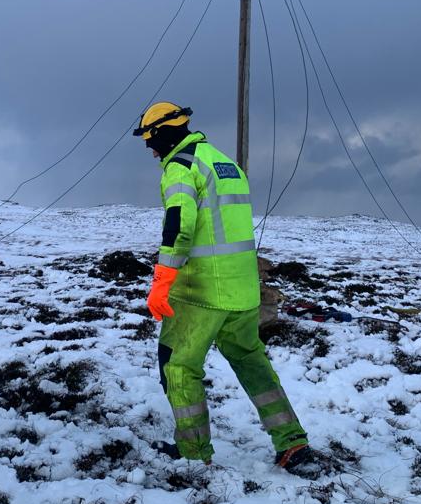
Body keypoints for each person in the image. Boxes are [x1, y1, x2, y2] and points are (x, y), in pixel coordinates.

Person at [133, 101, 314, 473]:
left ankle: (193, 452)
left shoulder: (180, 168)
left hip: (201, 293)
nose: (151, 150)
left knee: (179, 367)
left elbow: (178, 227)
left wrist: (162, 281)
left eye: (150, 141)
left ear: (164, 134)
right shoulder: (224, 163)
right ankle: (292, 443)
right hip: (244, 291)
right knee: (252, 362)